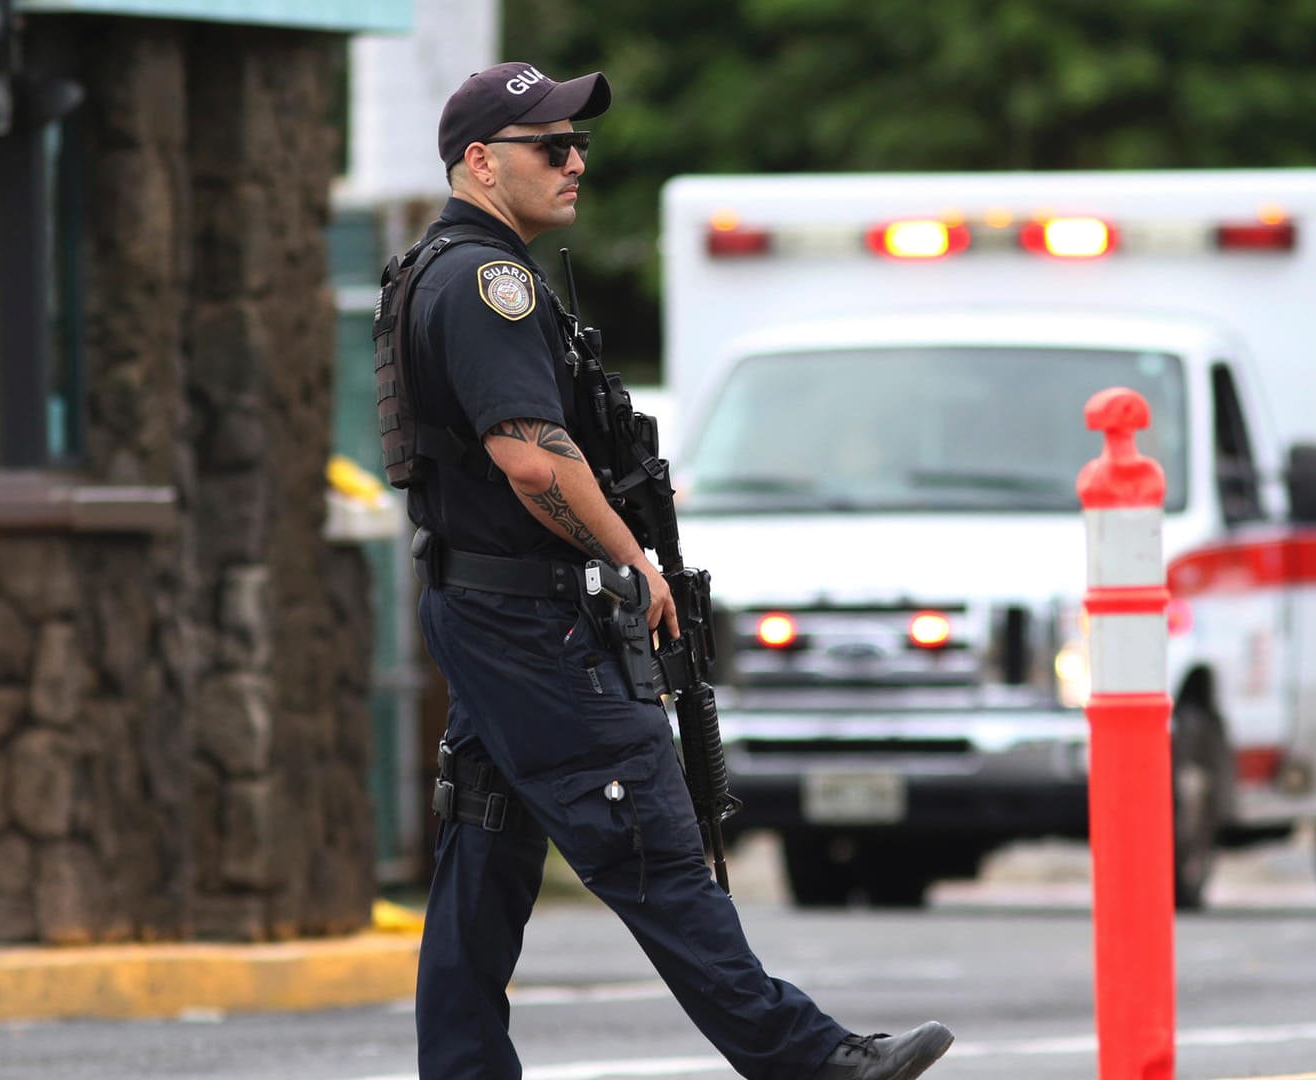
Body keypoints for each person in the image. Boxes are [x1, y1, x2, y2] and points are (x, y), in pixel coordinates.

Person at [404, 62, 956, 1080]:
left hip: (487, 610)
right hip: (530, 622)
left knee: (484, 848)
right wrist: (629, 558)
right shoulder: (490, 283)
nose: (576, 163)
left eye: (579, 144)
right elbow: (529, 454)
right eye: (551, 146)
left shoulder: (444, 268)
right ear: (480, 162)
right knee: (648, 834)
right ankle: (809, 1060)